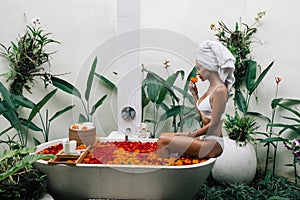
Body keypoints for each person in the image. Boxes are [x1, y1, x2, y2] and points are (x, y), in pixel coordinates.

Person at [157, 40, 235, 158]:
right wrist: (195, 95)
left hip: (213, 143)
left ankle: (164, 173)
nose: (197, 73)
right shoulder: (212, 88)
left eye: (199, 68)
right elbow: (204, 116)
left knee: (163, 140)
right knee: (164, 136)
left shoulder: (220, 90)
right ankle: (171, 169)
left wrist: (191, 135)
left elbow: (214, 124)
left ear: (209, 65)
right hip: (205, 138)